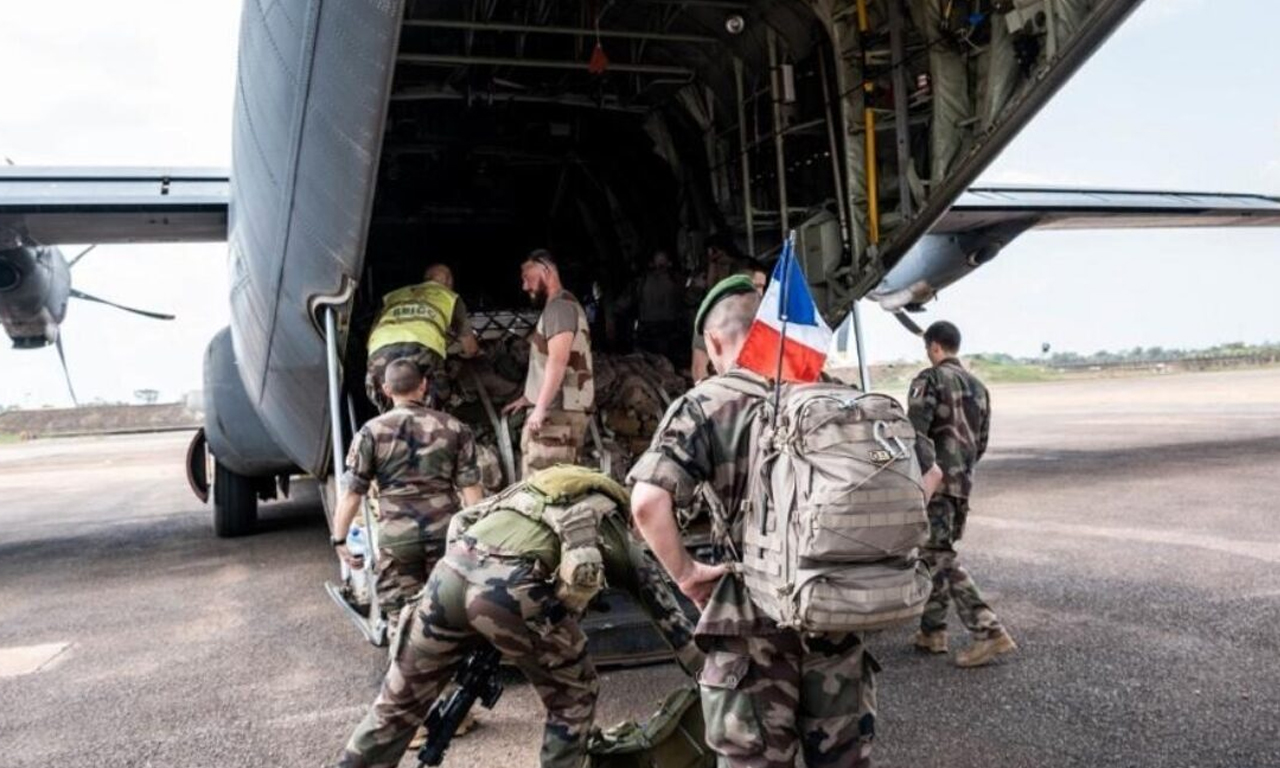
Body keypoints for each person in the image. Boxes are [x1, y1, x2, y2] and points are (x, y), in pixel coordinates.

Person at [630, 275, 885, 768]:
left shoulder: (705, 404)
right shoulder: (837, 397)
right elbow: (922, 472)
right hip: (835, 613)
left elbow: (647, 502)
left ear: (713, 341)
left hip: (750, 625)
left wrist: (686, 575)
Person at [337, 467, 702, 768]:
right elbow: (672, 622)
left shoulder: (535, 493)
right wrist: (710, 674)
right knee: (573, 695)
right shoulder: (614, 525)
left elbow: (462, 520)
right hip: (509, 590)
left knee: (397, 706)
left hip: (449, 574)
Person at [331, 359, 485, 628]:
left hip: (397, 538)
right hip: (444, 533)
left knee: (400, 615)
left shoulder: (371, 432)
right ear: (423, 385)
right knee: (449, 610)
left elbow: (353, 492)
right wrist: (477, 538)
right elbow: (471, 488)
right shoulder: (454, 427)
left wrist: (339, 539)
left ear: (386, 389)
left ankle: (404, 648)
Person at [908, 320, 1017, 667]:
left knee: (939, 556)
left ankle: (988, 630)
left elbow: (914, 435)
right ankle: (932, 632)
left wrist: (918, 478)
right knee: (934, 553)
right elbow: (981, 443)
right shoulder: (979, 387)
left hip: (936, 484)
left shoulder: (929, 379)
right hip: (962, 485)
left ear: (934, 347)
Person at [501, 249, 595, 477]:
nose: (525, 286)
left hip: (558, 411)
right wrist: (529, 397)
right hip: (560, 407)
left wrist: (540, 407)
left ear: (545, 269)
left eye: (527, 277)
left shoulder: (559, 308)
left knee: (544, 483)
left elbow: (558, 360)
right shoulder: (560, 306)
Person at [365, 263, 480, 411]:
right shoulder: (450, 297)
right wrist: (473, 355)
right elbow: (470, 347)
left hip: (380, 349)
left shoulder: (392, 296)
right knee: (431, 405)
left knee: (388, 409)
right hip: (423, 348)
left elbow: (370, 335)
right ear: (449, 281)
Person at [690, 260, 766, 383]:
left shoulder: (768, 318)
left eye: (762, 287)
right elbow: (698, 369)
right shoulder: (714, 318)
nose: (760, 293)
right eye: (756, 286)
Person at [632, 249, 683, 360]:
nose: (660, 264)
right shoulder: (644, 279)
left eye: (663, 260)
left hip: (667, 325)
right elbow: (634, 297)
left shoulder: (675, 279)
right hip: (650, 325)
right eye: (658, 260)